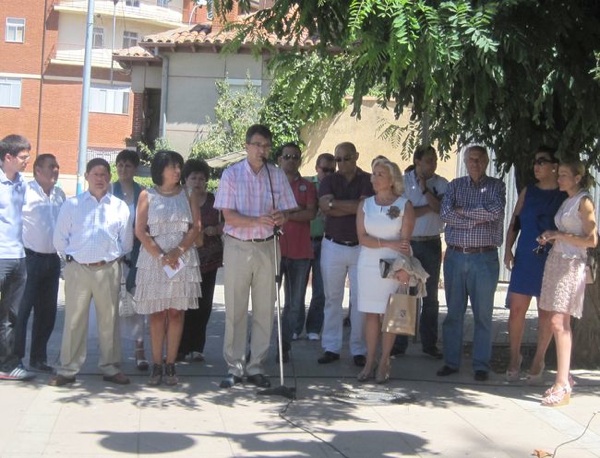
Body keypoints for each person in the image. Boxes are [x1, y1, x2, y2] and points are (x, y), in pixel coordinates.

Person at [214, 124, 297, 389]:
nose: (262, 150)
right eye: (257, 144)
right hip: (238, 246)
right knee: (236, 308)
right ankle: (234, 366)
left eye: (266, 146)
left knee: (265, 309)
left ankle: (256, 365)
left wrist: (281, 216)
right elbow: (227, 216)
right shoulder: (231, 174)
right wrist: (256, 220)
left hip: (268, 246)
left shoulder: (276, 175)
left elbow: (288, 211)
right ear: (247, 146)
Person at [49, 158, 133, 387]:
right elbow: (59, 239)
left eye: (105, 175)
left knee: (110, 320)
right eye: (95, 174)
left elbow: (126, 243)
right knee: (74, 321)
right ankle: (67, 369)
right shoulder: (72, 205)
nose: (100, 179)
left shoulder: (119, 207)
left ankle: (111, 367)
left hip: (108, 269)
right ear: (86, 176)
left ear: (110, 178)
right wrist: (71, 260)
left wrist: (112, 259)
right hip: (78, 270)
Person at [437, 145, 506, 382]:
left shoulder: (497, 186)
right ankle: (451, 362)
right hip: (456, 257)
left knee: (483, 315)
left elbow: (495, 212)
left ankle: (480, 365)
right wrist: (475, 218)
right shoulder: (454, 185)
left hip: (484, 258)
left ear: (486, 161)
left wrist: (462, 213)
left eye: (479, 159)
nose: (474, 163)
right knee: (454, 313)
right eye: (471, 159)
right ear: (465, 161)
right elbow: (445, 214)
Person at [134, 150, 202, 386]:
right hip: (154, 260)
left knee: (175, 312)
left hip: (182, 259)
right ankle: (156, 364)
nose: (176, 170)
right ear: (159, 169)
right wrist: (161, 255)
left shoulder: (188, 193)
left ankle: (171, 363)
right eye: (172, 166)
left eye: (179, 166)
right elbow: (140, 230)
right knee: (157, 312)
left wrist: (178, 251)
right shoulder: (147, 195)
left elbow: (196, 227)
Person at [535, 159, 597, 406]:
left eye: (563, 175)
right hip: (557, 259)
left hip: (571, 264)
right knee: (554, 319)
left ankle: (562, 384)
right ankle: (564, 378)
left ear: (578, 177)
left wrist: (559, 235)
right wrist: (551, 236)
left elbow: (592, 240)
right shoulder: (567, 200)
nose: (558, 178)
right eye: (558, 174)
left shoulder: (584, 201)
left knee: (560, 322)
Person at [503, 147, 566, 382]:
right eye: (535, 162)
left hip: (551, 259)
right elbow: (516, 221)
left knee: (545, 313)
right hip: (526, 257)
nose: (536, 166)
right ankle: (514, 357)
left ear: (554, 166)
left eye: (542, 161)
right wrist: (508, 248)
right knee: (516, 310)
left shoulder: (563, 195)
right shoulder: (528, 191)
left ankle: (539, 359)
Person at [356, 158, 414, 383]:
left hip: (394, 266)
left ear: (392, 180)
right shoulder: (365, 205)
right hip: (369, 264)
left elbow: (405, 242)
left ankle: (384, 361)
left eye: (380, 174)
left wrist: (405, 269)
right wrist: (387, 244)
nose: (374, 178)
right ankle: (369, 360)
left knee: (390, 314)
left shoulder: (404, 205)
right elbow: (362, 237)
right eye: (373, 174)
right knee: (371, 313)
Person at [318, 142, 374, 367]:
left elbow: (366, 207)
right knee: (332, 298)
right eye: (338, 159)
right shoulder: (329, 179)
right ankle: (331, 346)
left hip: (361, 247)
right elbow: (324, 206)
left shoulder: (367, 179)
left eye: (346, 158)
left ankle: (358, 349)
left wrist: (336, 205)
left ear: (356, 156)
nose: (341, 163)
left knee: (360, 300)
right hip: (332, 245)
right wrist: (354, 206)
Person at [392, 145, 448, 359]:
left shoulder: (441, 184)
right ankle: (399, 343)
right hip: (408, 243)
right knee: (404, 292)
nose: (432, 164)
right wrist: (427, 207)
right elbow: (400, 212)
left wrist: (425, 190)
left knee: (430, 295)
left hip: (431, 243)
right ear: (417, 161)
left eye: (434, 160)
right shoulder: (403, 182)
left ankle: (429, 343)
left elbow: (443, 209)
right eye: (428, 160)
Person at [15, 154, 65, 373]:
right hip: (29, 259)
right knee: (20, 312)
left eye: (57, 166)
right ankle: (14, 359)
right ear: (37, 170)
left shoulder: (60, 194)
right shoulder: (24, 192)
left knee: (47, 313)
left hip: (52, 260)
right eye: (51, 166)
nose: (56, 169)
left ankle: (38, 358)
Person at [178, 158, 223, 362]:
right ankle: (181, 347)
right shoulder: (180, 200)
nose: (197, 181)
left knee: (204, 305)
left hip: (209, 260)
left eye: (201, 178)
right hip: (185, 261)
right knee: (185, 305)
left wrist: (215, 229)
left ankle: (197, 347)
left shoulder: (215, 200)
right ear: (185, 179)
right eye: (193, 177)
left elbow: (227, 223)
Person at [277, 143, 317, 361]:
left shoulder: (308, 187)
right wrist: (295, 211)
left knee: (293, 304)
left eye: (295, 157)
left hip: (300, 254)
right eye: (287, 156)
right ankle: (257, 346)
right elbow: (269, 212)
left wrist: (286, 214)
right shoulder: (272, 185)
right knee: (265, 301)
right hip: (274, 251)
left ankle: (284, 347)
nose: (291, 160)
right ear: (279, 159)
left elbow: (310, 214)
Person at [111, 149, 148, 371]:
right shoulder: (108, 190)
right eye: (120, 165)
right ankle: (113, 352)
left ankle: (140, 351)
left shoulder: (142, 193)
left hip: (136, 257)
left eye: (128, 165)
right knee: (112, 306)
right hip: (112, 257)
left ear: (135, 169)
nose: (124, 169)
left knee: (137, 306)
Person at [0, 134, 33, 381]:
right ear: (8, 157)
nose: (27, 160)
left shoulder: (23, 184)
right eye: (23, 157)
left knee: (11, 315)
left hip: (18, 257)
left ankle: (7, 364)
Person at [304, 153, 335, 341]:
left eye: (332, 170)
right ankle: (295, 326)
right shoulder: (307, 184)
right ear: (317, 168)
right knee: (297, 288)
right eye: (325, 169)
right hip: (305, 240)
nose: (329, 173)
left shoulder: (335, 187)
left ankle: (314, 327)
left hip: (325, 241)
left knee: (320, 289)